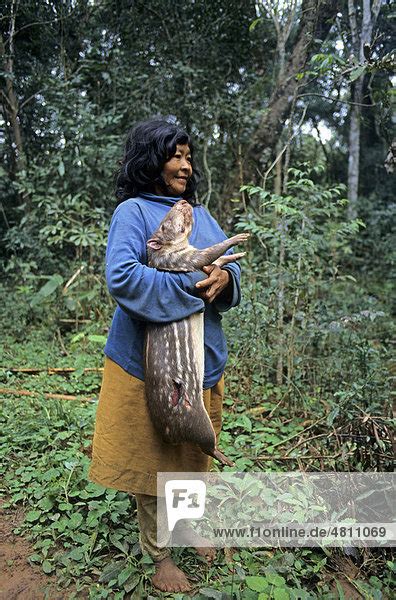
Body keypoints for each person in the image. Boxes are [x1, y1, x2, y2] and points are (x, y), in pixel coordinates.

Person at [89, 118, 242, 593]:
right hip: (146, 365)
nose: (184, 164)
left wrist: (224, 282)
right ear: (150, 159)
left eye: (188, 156)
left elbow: (228, 271)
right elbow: (124, 279)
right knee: (156, 459)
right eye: (174, 155)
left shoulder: (200, 213)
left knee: (192, 453)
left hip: (200, 359)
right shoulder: (133, 212)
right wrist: (195, 286)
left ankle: (188, 524)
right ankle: (160, 557)